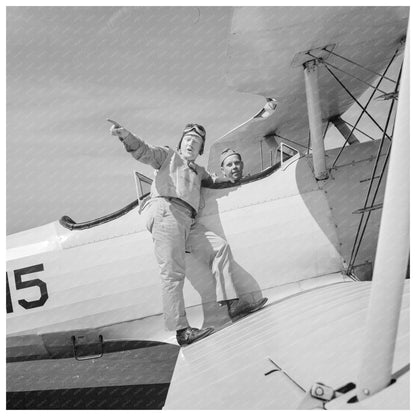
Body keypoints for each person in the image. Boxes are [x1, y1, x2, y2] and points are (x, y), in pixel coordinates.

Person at [109, 120, 267, 346]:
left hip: (188, 221)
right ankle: (181, 331)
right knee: (172, 274)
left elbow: (214, 181)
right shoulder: (168, 157)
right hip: (166, 212)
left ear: (201, 149)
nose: (191, 143)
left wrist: (233, 175)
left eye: (197, 141)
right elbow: (144, 151)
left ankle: (233, 304)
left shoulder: (200, 172)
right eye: (188, 139)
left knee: (219, 248)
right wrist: (126, 136)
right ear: (181, 142)